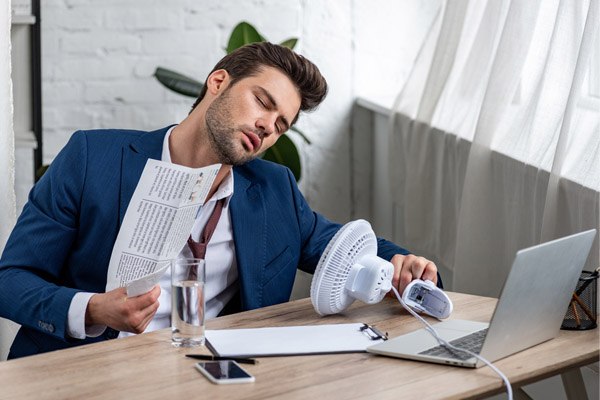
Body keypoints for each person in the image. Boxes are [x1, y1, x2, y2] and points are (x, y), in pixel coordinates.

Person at [0, 42, 440, 359]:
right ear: (218, 82)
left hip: (208, 376)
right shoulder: (92, 158)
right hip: (85, 368)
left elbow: (340, 244)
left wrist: (407, 265)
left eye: (281, 124)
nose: (268, 126)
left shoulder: (273, 189)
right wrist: (93, 309)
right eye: (262, 102)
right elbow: (10, 278)